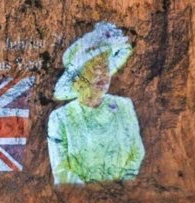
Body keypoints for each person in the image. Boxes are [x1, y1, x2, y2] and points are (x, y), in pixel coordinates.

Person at [47, 22, 145, 185]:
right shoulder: (60, 119)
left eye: (105, 66)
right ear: (77, 79)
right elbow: (62, 172)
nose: (103, 74)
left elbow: (136, 152)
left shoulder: (124, 106)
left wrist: (122, 188)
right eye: (94, 67)